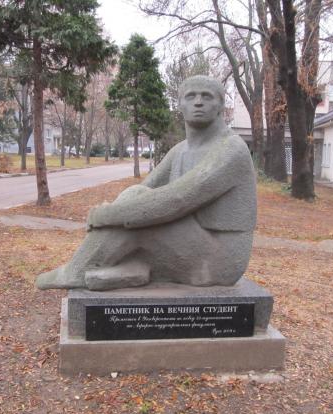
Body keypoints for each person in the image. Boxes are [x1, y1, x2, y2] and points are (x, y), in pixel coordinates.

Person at [36, 75, 257, 291]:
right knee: (135, 194)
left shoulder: (231, 149)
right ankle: (133, 268)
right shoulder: (180, 150)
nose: (198, 102)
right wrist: (120, 211)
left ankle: (75, 272)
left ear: (220, 105)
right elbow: (145, 189)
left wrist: (106, 215)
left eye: (207, 96)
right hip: (192, 243)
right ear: (180, 105)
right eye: (191, 96)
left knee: (138, 213)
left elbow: (178, 199)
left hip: (219, 261)